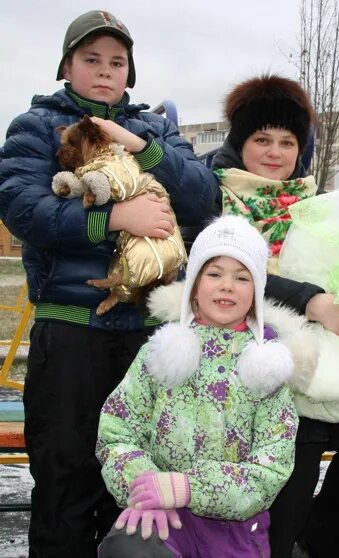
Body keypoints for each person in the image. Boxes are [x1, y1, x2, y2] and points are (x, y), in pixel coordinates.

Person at [0, 10, 220, 557]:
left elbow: (202, 199)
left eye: (116, 62)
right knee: (66, 483)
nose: (105, 71)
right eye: (91, 59)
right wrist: (115, 220)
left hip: (147, 340)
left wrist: (138, 144)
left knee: (139, 488)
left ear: (130, 72)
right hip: (70, 336)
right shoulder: (36, 127)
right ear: (67, 66)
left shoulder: (156, 130)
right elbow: (23, 208)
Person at [211, 74, 339, 557]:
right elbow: (235, 271)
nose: (275, 152)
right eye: (261, 139)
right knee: (299, 449)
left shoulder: (313, 204)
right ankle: (281, 545)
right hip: (247, 351)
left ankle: (315, 543)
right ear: (239, 141)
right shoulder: (218, 196)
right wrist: (312, 299)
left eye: (288, 141)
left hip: (325, 353)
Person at [96, 215, 298, 557]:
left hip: (235, 531)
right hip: (163, 521)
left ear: (257, 292)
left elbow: (271, 466)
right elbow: (117, 429)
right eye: (214, 273)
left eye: (242, 277)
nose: (227, 286)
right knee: (129, 549)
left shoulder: (265, 372)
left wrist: (189, 487)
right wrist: (148, 488)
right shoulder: (159, 355)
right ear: (193, 287)